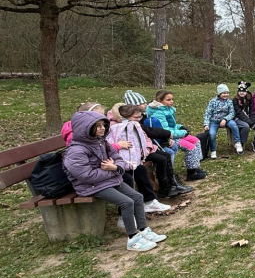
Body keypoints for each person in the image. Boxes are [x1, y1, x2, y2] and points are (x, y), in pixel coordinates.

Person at [62, 111, 167, 252]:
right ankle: (133, 238)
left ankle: (143, 230)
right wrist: (111, 170)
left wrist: (115, 167)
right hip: (90, 186)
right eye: (97, 126)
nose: (102, 128)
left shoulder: (102, 142)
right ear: (84, 128)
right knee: (126, 202)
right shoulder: (76, 151)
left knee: (137, 197)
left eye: (103, 125)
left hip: (108, 180)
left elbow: (118, 159)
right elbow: (86, 176)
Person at [123, 90, 194, 194]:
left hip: (148, 147)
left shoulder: (142, 116)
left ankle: (170, 184)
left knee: (166, 154)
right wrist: (168, 134)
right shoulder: (133, 122)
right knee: (166, 155)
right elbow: (151, 131)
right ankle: (166, 187)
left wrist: (167, 137)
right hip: (139, 151)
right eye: (142, 103)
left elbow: (153, 131)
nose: (145, 104)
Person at [107, 105, 172, 213]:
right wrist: (118, 146)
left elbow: (144, 140)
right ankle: (125, 214)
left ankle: (149, 201)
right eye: (135, 117)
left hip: (135, 161)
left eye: (139, 117)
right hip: (116, 163)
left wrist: (145, 151)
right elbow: (107, 147)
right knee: (128, 177)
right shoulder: (116, 128)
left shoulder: (136, 126)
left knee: (141, 169)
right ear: (126, 116)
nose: (138, 120)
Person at [146, 90, 207, 181]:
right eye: (168, 99)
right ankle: (191, 173)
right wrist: (182, 132)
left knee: (196, 141)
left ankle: (195, 167)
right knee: (191, 147)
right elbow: (165, 130)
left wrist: (180, 127)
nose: (171, 101)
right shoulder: (158, 113)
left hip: (175, 134)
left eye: (172, 99)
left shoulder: (168, 109)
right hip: (167, 138)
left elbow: (172, 126)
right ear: (160, 100)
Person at [203, 84, 241, 158]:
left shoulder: (229, 102)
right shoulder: (213, 102)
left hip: (226, 120)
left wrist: (225, 119)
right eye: (224, 93)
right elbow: (208, 113)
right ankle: (213, 150)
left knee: (234, 125)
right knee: (212, 134)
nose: (226, 95)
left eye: (227, 93)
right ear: (219, 93)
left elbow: (232, 113)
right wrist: (206, 124)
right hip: (214, 121)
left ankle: (237, 142)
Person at [232, 81, 255, 153]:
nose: (241, 93)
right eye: (240, 91)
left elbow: (252, 110)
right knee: (245, 126)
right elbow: (239, 113)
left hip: (250, 117)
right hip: (239, 118)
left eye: (243, 91)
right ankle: (242, 143)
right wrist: (250, 123)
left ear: (246, 91)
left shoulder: (250, 99)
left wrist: (252, 120)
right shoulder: (235, 100)